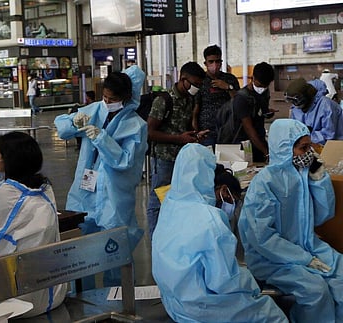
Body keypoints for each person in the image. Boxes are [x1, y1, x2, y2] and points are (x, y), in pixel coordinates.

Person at [152, 143, 288, 323]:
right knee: (271, 314)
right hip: (200, 307)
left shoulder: (170, 204)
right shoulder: (210, 220)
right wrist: (252, 286)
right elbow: (225, 281)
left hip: (173, 301)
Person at [238, 118, 343, 323]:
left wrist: (320, 180)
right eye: (304, 148)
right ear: (286, 148)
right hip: (272, 258)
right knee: (315, 291)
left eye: (309, 147)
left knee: (341, 278)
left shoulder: (302, 174)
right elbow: (261, 237)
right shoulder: (264, 183)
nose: (309, 154)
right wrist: (304, 259)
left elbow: (323, 215)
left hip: (307, 244)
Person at [54, 65, 147, 287]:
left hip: (114, 196)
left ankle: (117, 299)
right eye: (104, 96)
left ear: (125, 97)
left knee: (114, 250)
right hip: (84, 192)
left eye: (112, 98)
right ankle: (81, 296)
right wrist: (71, 122)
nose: (107, 102)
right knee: (80, 250)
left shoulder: (136, 125)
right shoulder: (94, 110)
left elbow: (124, 161)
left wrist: (101, 137)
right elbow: (62, 128)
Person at [0, 131, 67, 317]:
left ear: (9, 160)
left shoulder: (6, 195)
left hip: (21, 301)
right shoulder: (43, 189)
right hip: (53, 293)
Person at [146, 61, 208, 239]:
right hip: (164, 158)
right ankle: (155, 238)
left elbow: (185, 127)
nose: (197, 88)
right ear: (183, 79)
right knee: (159, 198)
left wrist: (195, 135)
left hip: (182, 158)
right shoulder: (164, 100)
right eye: (195, 84)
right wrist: (178, 139)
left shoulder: (189, 99)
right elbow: (150, 132)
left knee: (178, 198)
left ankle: (171, 236)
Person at [192, 44, 240, 146]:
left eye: (218, 61)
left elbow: (239, 102)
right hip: (207, 133)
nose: (215, 64)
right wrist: (196, 134)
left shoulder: (230, 79)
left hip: (228, 132)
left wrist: (228, 87)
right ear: (205, 63)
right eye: (211, 62)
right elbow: (195, 112)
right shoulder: (200, 81)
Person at [231, 61, 276, 162]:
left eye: (266, 86)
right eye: (260, 85)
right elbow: (249, 129)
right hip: (243, 144)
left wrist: (267, 113)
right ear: (253, 78)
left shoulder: (265, 92)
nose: (262, 88)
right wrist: (266, 151)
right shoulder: (241, 98)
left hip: (259, 140)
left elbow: (261, 112)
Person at [287, 77, 343, 145]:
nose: (295, 106)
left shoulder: (326, 106)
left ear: (306, 98)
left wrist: (307, 138)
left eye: (295, 101)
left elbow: (328, 135)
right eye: (291, 101)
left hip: (333, 145)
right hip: (308, 145)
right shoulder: (295, 109)